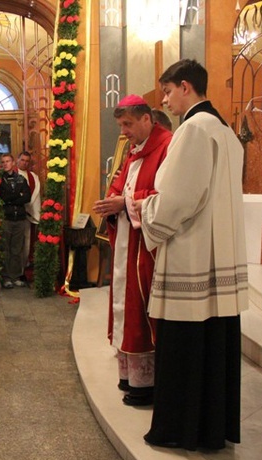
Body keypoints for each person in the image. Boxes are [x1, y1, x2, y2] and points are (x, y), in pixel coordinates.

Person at [135, 59, 248, 450]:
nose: (165, 100)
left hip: (192, 255)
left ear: (186, 87)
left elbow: (179, 200)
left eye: (167, 92)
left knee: (186, 342)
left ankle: (183, 429)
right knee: (214, 344)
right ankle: (210, 426)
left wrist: (145, 212)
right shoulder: (226, 132)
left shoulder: (193, 131)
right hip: (218, 257)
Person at [92, 95, 172, 406]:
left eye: (127, 124)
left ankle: (146, 383)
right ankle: (130, 376)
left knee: (140, 306)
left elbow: (165, 195)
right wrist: (111, 202)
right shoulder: (135, 151)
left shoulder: (166, 147)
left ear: (146, 119)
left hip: (146, 245)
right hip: (127, 240)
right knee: (125, 305)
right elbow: (121, 185)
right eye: (120, 125)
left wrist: (123, 202)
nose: (123, 131)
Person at [0, 153, 31, 289]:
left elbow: (26, 197)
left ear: (13, 163)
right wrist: (17, 195)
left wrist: (12, 198)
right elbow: (2, 198)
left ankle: (15, 276)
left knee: (17, 249)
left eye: (8, 161)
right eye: (3, 162)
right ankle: (5, 277)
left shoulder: (21, 179)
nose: (5, 164)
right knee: (5, 249)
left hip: (20, 218)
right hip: (6, 218)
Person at [16, 151, 39, 272]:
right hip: (14, 214)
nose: (24, 163)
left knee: (27, 241)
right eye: (22, 160)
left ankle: (23, 267)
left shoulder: (33, 177)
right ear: (17, 160)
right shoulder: (12, 174)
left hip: (28, 213)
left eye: (27, 161)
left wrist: (29, 208)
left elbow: (35, 196)